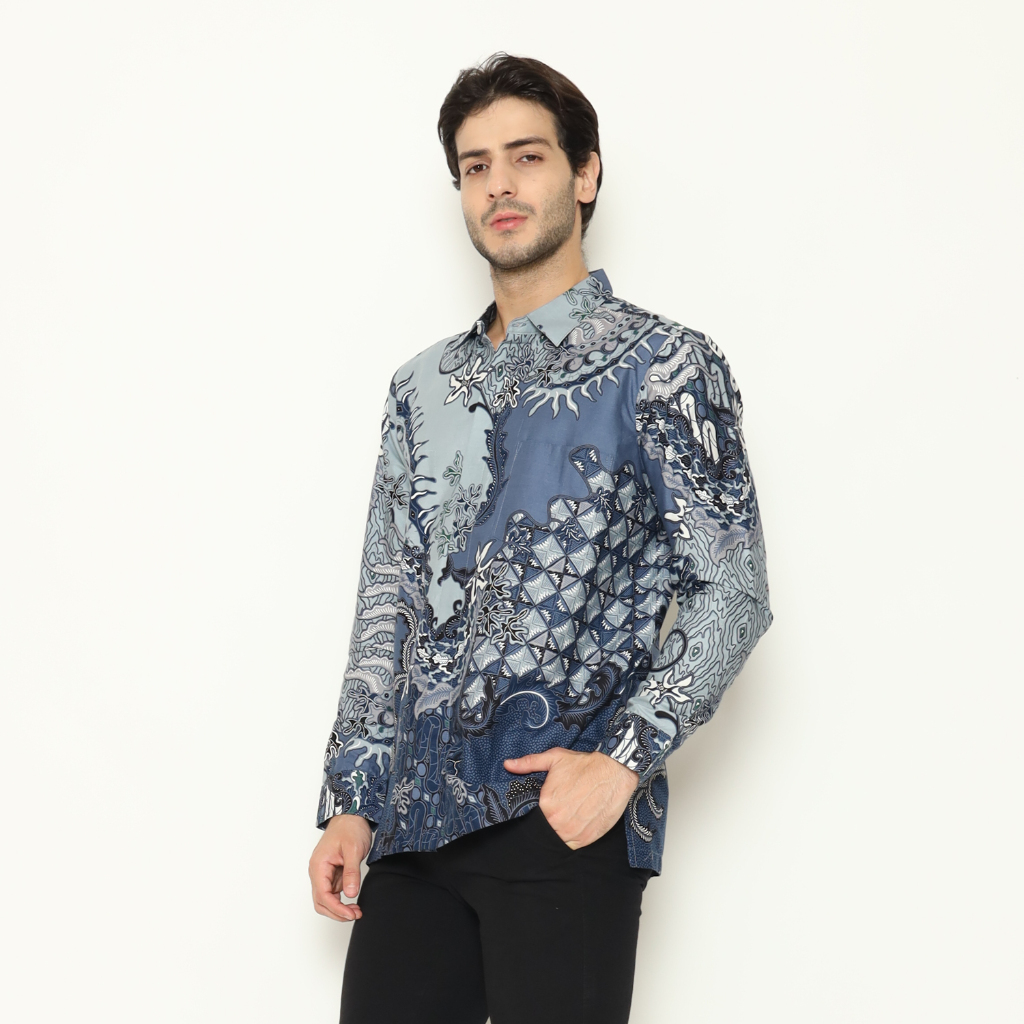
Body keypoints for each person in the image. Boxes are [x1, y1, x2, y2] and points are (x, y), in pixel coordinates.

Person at [308, 52, 772, 1024]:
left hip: (559, 824)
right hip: (411, 834)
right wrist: (352, 796)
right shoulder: (419, 388)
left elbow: (731, 589)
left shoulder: (666, 366)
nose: (499, 185)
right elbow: (387, 602)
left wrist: (624, 761)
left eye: (526, 156)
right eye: (475, 166)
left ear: (584, 174)